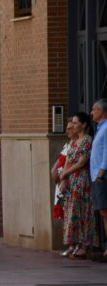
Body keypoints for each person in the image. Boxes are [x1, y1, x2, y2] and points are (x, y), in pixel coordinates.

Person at [59, 113, 97, 260]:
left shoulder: (87, 140)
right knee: (71, 211)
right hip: (71, 180)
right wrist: (64, 179)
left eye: (75, 123)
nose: (72, 125)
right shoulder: (74, 141)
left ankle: (84, 244)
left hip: (82, 179)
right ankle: (72, 243)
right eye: (72, 123)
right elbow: (68, 160)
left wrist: (64, 173)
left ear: (84, 124)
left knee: (82, 211)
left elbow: (81, 162)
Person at [89, 99, 107, 262]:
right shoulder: (100, 128)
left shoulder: (106, 128)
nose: (91, 112)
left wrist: (101, 173)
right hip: (96, 176)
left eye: (94, 109)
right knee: (103, 213)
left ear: (102, 111)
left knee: (105, 212)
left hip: (102, 177)